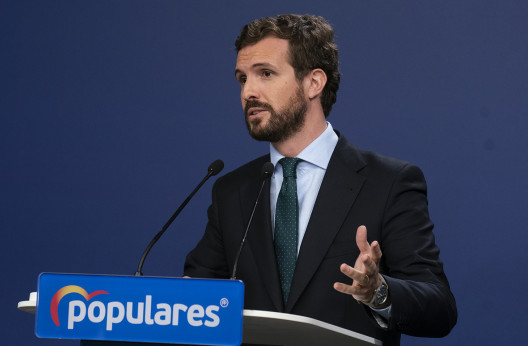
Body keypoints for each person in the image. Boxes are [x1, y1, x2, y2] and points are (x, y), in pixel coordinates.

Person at [184, 14, 457, 345]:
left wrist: (378, 292)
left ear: (314, 82)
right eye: (242, 79)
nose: (248, 92)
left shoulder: (388, 183)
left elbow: (439, 308)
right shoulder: (231, 191)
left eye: (265, 74)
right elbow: (194, 301)